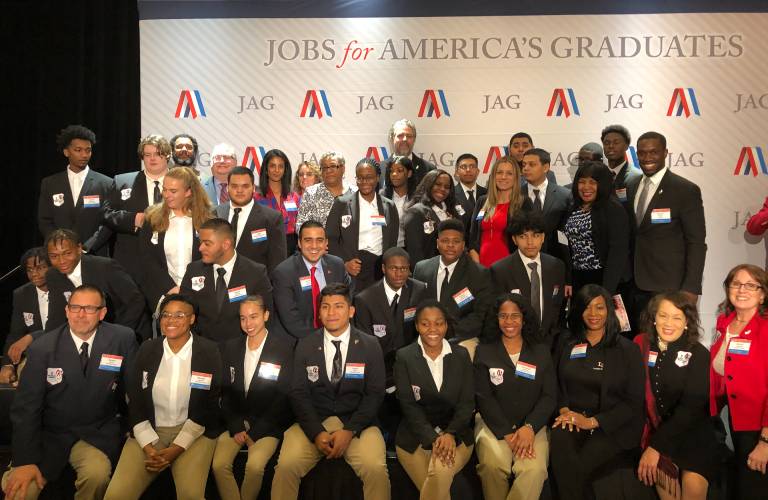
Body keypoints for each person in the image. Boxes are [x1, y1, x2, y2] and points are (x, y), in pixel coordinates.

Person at [2, 285, 137, 500]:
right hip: (51, 434)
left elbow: (133, 390)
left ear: (102, 313)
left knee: (97, 475)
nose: (81, 315)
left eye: (89, 309)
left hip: (96, 431)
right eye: (75, 308)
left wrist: (136, 428)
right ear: (66, 311)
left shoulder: (122, 338)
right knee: (20, 490)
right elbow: (25, 409)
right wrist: (24, 461)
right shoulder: (42, 348)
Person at [271, 283, 390, 500]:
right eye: (325, 307)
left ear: (351, 311)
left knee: (375, 469)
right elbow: (298, 393)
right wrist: (316, 432)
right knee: (286, 466)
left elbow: (375, 394)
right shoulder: (305, 345)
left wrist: (350, 430)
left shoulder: (370, 344)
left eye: (338, 306)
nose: (331, 313)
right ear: (319, 312)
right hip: (315, 420)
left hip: (358, 423)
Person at [104, 294, 223, 500]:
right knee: (115, 495)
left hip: (194, 431)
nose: (171, 320)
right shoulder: (148, 349)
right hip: (150, 429)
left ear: (192, 319)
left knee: (191, 496)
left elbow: (209, 404)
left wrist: (177, 448)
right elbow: (135, 398)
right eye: (166, 315)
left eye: (179, 315)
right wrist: (148, 447)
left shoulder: (209, 351)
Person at [550, 285, 644, 500]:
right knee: (559, 441)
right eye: (587, 308)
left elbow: (633, 402)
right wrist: (564, 410)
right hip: (571, 417)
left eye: (600, 308)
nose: (593, 314)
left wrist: (592, 422)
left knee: (576, 467)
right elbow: (554, 382)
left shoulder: (628, 350)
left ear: (609, 311)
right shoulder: (566, 341)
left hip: (611, 425)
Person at [634, 292, 718, 500]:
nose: (668, 323)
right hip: (660, 434)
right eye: (663, 315)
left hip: (693, 438)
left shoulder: (699, 353)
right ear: (654, 318)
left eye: (677, 317)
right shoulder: (642, 346)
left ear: (687, 322)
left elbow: (691, 408)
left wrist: (655, 447)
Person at [474, 293, 556, 500]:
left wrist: (529, 428)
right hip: (494, 425)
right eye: (503, 316)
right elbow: (484, 398)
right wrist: (506, 433)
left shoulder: (541, 351)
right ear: (496, 319)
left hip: (532, 427)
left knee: (534, 470)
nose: (509, 322)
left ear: (524, 319)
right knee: (492, 466)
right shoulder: (484, 351)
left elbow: (549, 396)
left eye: (515, 316)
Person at [212, 295, 294, 500]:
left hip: (267, 425)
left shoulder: (283, 348)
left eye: (253, 317)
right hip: (236, 423)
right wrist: (236, 424)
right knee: (219, 465)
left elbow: (283, 398)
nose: (248, 323)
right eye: (243, 318)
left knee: (255, 467)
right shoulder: (230, 348)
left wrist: (256, 431)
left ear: (266, 315)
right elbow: (225, 392)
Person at [394, 299, 474, 499]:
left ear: (446, 325)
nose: (433, 329)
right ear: (416, 326)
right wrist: (434, 439)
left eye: (439, 323)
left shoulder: (461, 355)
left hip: (456, 437)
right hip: (413, 439)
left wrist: (450, 434)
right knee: (437, 492)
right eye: (425, 323)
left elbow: (467, 403)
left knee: (437, 477)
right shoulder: (404, 357)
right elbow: (409, 406)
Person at [627, 131, 706, 316]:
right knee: (640, 341)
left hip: (670, 285)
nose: (647, 158)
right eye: (642, 153)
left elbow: (696, 242)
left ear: (665, 153)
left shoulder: (685, 190)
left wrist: (691, 288)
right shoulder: (631, 185)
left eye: (654, 152)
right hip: (634, 283)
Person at [354, 247, 428, 442]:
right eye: (394, 268)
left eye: (404, 268)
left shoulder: (419, 290)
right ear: (384, 269)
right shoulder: (365, 299)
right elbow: (365, 344)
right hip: (379, 364)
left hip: (411, 360)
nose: (399, 273)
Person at [710, 264, 768, 498]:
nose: (742, 289)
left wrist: (765, 441)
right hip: (733, 422)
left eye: (751, 285)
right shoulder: (724, 324)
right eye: (736, 284)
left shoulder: (765, 328)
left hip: (759, 428)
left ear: (762, 293)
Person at [180, 218, 273, 343]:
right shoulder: (193, 270)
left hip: (241, 349)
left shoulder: (255, 272)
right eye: (200, 242)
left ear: (226, 244)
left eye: (207, 243)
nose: (200, 248)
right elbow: (184, 311)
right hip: (202, 348)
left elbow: (267, 316)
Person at [44, 229, 149, 340]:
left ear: (79, 248)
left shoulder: (105, 267)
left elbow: (136, 301)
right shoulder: (53, 275)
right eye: (54, 256)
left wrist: (117, 334)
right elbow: (55, 316)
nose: (61, 261)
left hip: (127, 328)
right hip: (89, 335)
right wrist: (47, 344)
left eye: (67, 253)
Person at [137, 166, 211, 311]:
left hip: (200, 295)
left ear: (189, 191)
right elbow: (148, 260)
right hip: (164, 296)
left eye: (173, 191)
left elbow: (211, 258)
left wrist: (190, 289)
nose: (166, 195)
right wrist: (170, 288)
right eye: (165, 189)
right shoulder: (152, 218)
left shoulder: (207, 219)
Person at [413, 219, 491, 353]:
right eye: (445, 241)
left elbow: (480, 315)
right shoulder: (421, 269)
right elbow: (416, 306)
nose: (450, 245)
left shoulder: (479, 274)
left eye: (456, 241)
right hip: (425, 333)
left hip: (461, 337)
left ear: (463, 245)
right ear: (437, 243)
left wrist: (447, 331)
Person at [489, 213, 566, 350]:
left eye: (535, 236)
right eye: (523, 236)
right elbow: (497, 315)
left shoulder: (557, 266)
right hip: (515, 344)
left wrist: (551, 340)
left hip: (550, 344)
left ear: (543, 237)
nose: (530, 242)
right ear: (514, 239)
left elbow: (557, 308)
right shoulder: (500, 270)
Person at [37, 124, 114, 256]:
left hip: (94, 255)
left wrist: (86, 247)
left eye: (88, 150)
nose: (84, 155)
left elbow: (108, 222)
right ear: (66, 152)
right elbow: (45, 220)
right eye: (78, 150)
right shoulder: (50, 183)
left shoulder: (106, 183)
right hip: (61, 256)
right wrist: (61, 246)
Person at [327, 158, 399, 293]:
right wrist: (344, 264)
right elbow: (330, 239)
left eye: (369, 177)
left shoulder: (389, 206)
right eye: (360, 178)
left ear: (378, 178)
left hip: (379, 269)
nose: (364, 182)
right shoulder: (342, 203)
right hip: (354, 268)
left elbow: (392, 241)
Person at [271, 221, 351, 340]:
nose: (314, 246)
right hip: (298, 340)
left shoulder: (337, 265)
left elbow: (347, 301)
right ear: (299, 243)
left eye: (319, 240)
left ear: (326, 243)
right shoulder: (283, 272)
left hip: (335, 334)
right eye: (308, 240)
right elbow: (291, 320)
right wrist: (323, 339)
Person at [106, 134, 171, 278]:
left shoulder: (181, 181)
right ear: (142, 157)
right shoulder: (122, 181)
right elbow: (107, 214)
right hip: (132, 261)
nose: (152, 158)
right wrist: (133, 219)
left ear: (167, 155)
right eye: (147, 154)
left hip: (170, 259)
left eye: (157, 154)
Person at [564, 161, 630, 295]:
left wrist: (607, 291)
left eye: (592, 182)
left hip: (604, 280)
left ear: (603, 184)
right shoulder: (573, 206)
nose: (586, 187)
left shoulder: (612, 208)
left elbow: (617, 253)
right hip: (579, 278)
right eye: (582, 182)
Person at [218, 166, 286, 274]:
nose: (239, 191)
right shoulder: (215, 213)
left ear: (253, 188)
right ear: (227, 188)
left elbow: (277, 262)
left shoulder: (272, 218)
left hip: (256, 287)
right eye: (234, 186)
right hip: (219, 283)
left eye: (245, 186)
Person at [469, 156, 530, 268]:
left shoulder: (523, 203)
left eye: (509, 173)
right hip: (481, 266)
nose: (503, 177)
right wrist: (477, 265)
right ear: (493, 176)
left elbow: (526, 239)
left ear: (516, 177)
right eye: (499, 172)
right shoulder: (482, 201)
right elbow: (472, 236)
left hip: (510, 267)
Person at [0, 248, 49, 385]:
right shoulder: (22, 294)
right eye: (29, 270)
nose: (34, 274)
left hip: (64, 353)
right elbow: (15, 333)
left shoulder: (65, 290)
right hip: (35, 356)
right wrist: (7, 365)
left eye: (40, 268)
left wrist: (31, 337)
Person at [520, 148, 572, 260]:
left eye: (532, 164)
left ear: (545, 167)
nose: (526, 168)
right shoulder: (515, 195)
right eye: (524, 165)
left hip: (556, 258)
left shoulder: (565, 195)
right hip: (523, 259)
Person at [403, 169, 461, 266]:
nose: (442, 189)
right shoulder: (416, 212)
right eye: (438, 184)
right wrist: (422, 275)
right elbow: (415, 251)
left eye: (447, 187)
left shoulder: (452, 211)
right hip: (429, 272)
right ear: (428, 185)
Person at [253, 149, 300, 257]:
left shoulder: (294, 197)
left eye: (281, 166)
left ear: (285, 170)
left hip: (292, 250)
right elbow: (255, 229)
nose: (276, 170)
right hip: (266, 249)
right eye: (272, 166)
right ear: (266, 169)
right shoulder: (256, 198)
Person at [296, 151, 354, 229]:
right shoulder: (310, 193)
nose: (328, 170)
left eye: (333, 166)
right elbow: (300, 225)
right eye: (324, 167)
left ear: (343, 168)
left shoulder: (355, 192)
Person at [378, 118, 436, 188]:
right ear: (392, 139)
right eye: (400, 136)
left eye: (409, 136)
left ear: (414, 139)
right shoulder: (379, 169)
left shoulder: (429, 169)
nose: (405, 139)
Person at [379, 155, 416, 247]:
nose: (394, 174)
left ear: (409, 173)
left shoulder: (417, 198)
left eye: (399, 171)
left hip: (410, 250)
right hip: (385, 248)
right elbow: (376, 224)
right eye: (391, 171)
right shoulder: (381, 196)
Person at [601, 124, 641, 206]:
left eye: (616, 142)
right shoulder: (600, 175)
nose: (611, 146)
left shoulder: (636, 177)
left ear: (626, 146)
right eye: (607, 143)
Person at [453, 153, 486, 235]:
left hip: (483, 243)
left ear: (478, 171)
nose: (468, 170)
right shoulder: (450, 194)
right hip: (460, 244)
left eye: (472, 166)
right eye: (463, 167)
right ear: (457, 172)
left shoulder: (488, 194)